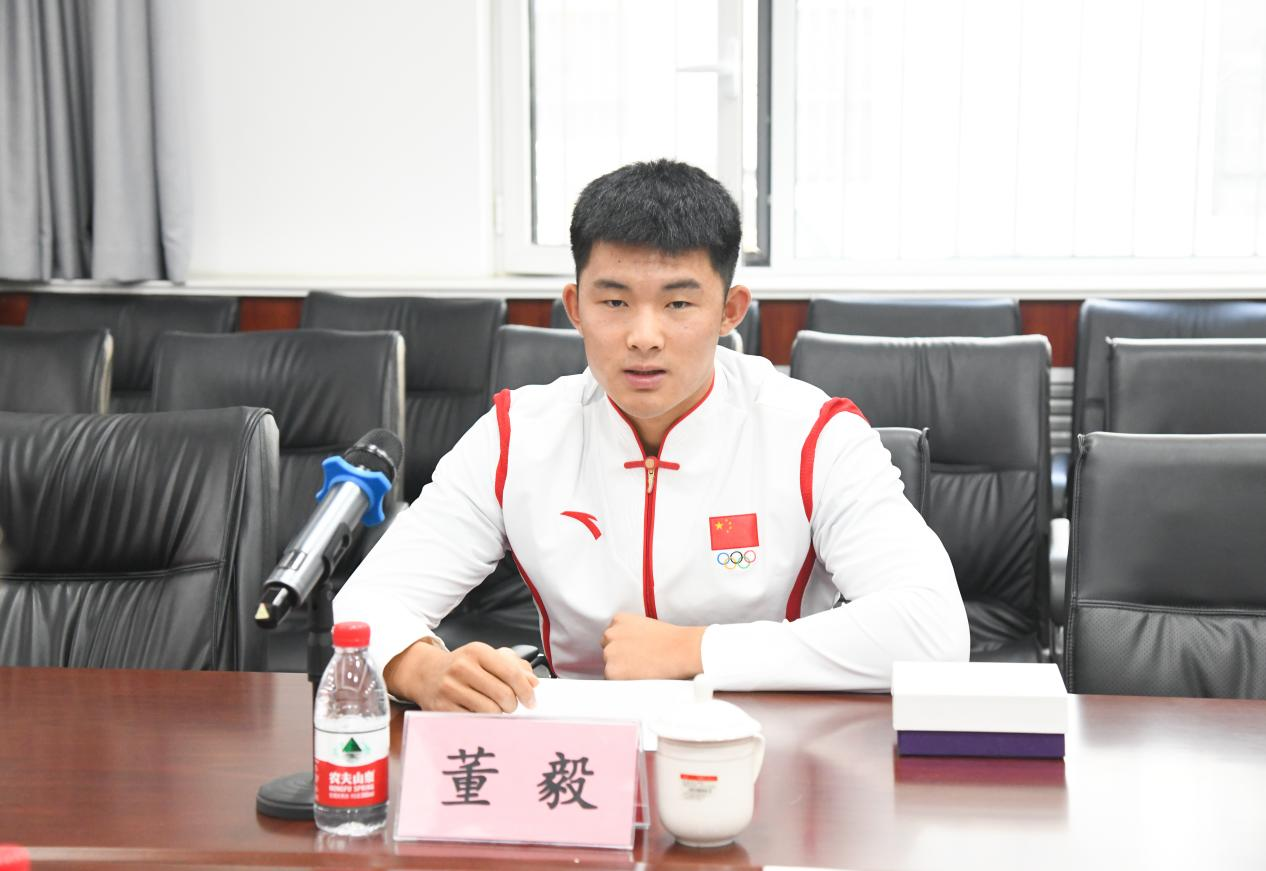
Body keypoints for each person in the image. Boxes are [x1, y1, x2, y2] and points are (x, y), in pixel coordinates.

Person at [334, 159, 969, 712]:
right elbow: (369, 602)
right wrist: (424, 669)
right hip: (580, 746)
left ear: (729, 310)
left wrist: (696, 650)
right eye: (614, 303)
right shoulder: (516, 435)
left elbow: (933, 630)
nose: (643, 337)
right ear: (575, 307)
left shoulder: (815, 435)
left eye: (678, 303)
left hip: (770, 739)